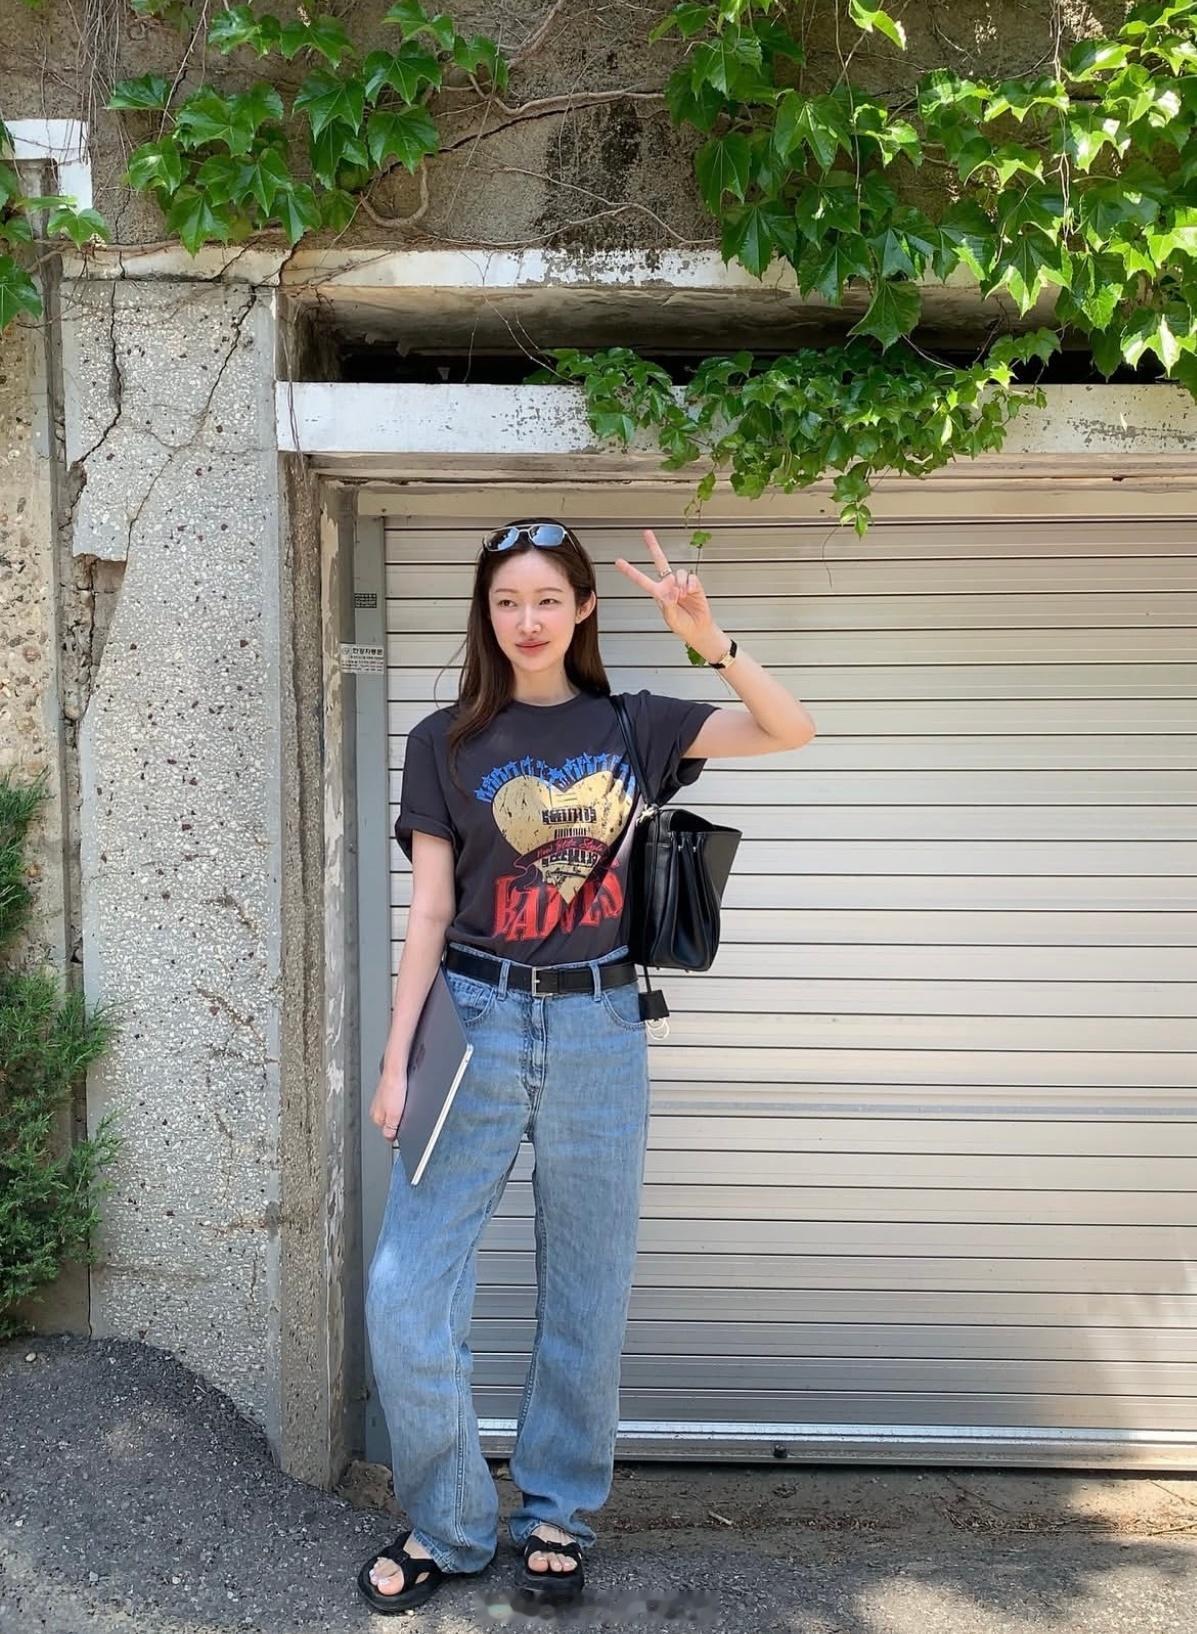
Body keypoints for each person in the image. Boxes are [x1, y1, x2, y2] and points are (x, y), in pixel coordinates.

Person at [358, 520, 815, 1612]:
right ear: (486, 613)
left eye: (547, 599)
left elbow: (787, 728)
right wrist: (395, 1057)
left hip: (601, 1028)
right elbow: (430, 910)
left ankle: (556, 1511)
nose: (528, 620)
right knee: (404, 1289)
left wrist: (707, 635)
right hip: (473, 1019)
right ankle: (450, 1521)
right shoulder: (442, 739)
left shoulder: (633, 724)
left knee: (586, 1290)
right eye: (507, 600)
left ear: (582, 609)